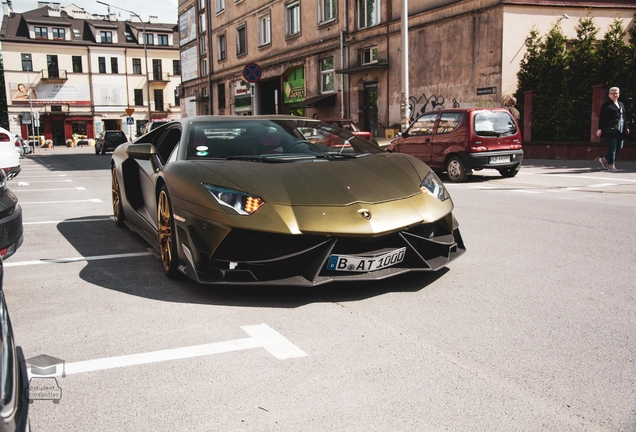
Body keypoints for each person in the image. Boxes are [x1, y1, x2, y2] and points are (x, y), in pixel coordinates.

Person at [596, 87, 630, 173]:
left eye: (616, 93)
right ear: (609, 95)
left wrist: (626, 127)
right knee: (612, 148)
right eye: (613, 93)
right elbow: (602, 118)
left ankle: (604, 159)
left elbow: (623, 117)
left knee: (620, 146)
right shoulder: (606, 105)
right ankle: (611, 165)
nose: (615, 95)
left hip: (620, 129)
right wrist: (600, 129)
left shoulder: (621, 104)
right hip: (609, 129)